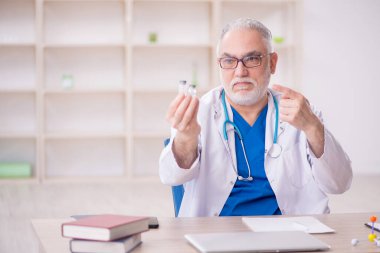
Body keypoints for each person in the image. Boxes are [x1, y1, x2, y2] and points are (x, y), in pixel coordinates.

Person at [159, 18, 352, 217]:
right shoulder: (197, 113)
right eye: (229, 61)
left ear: (272, 63)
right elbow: (171, 176)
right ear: (220, 65)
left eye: (252, 59)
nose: (240, 72)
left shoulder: (301, 114)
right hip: (216, 232)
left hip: (289, 232)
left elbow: (340, 183)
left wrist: (313, 127)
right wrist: (185, 139)